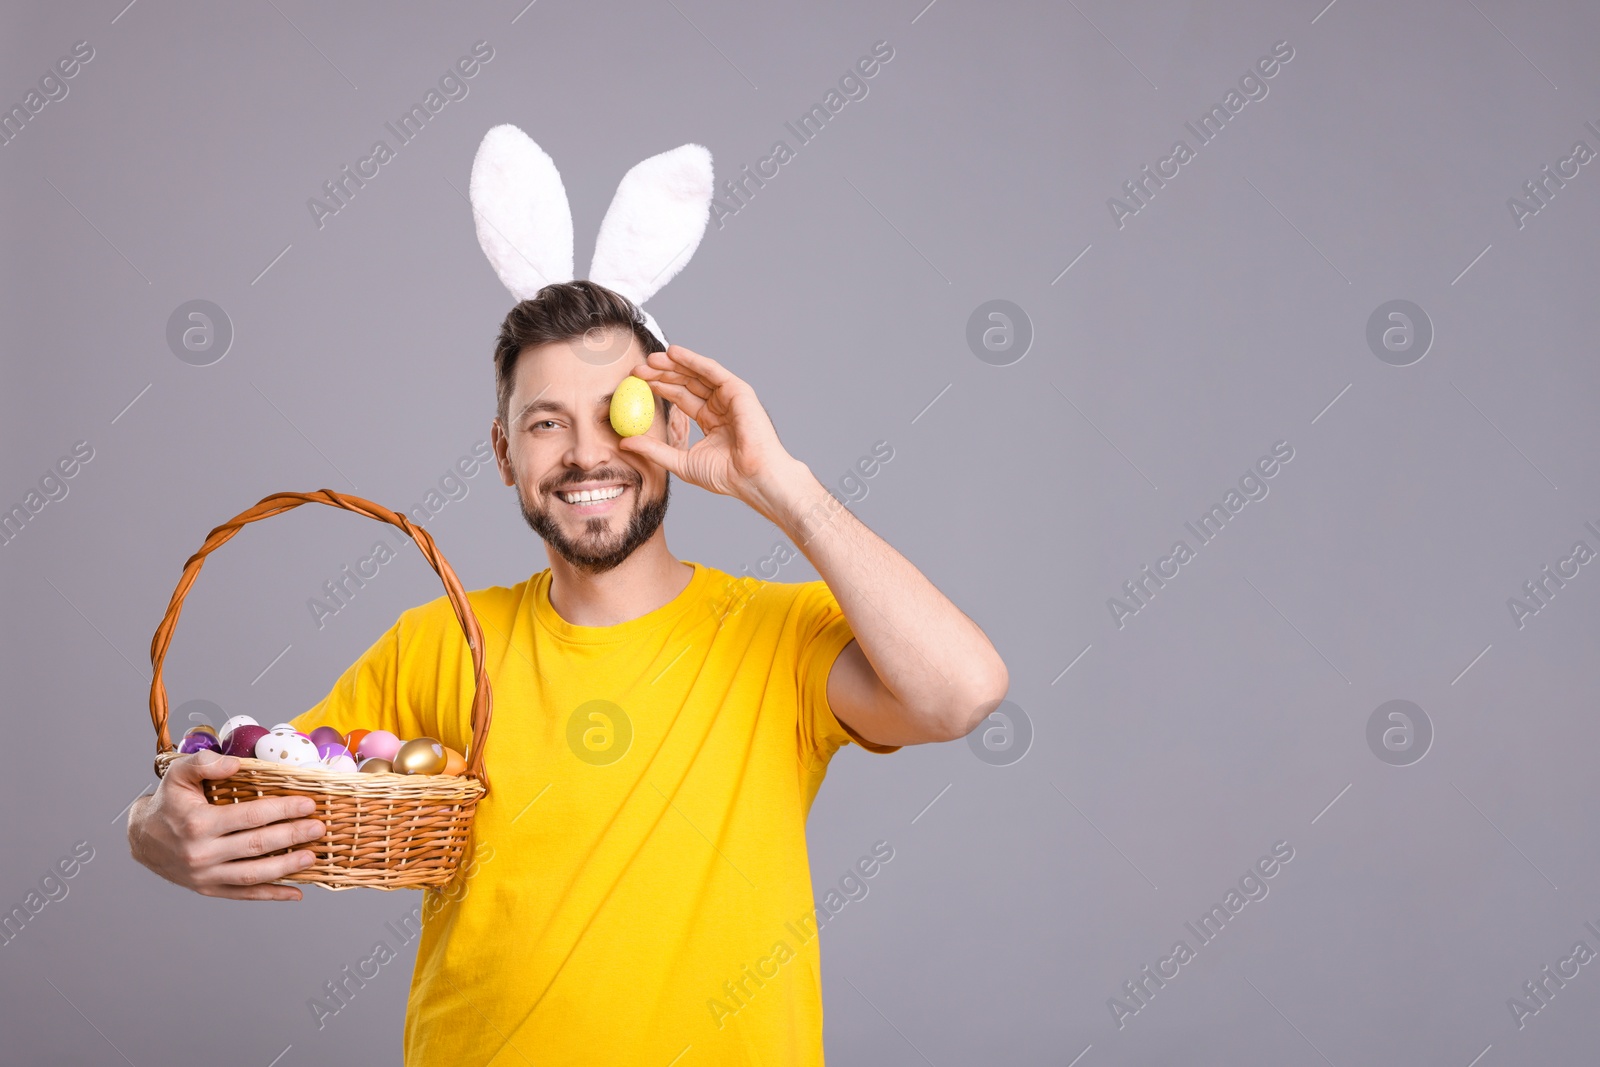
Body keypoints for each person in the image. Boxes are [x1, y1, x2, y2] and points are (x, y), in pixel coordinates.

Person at [128, 281, 1009, 1065]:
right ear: (505, 451)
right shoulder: (440, 642)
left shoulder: (777, 634)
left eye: (618, 411)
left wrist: (783, 487)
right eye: (547, 422)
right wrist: (150, 827)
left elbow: (961, 691)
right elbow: (254, 784)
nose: (588, 455)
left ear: (673, 426)